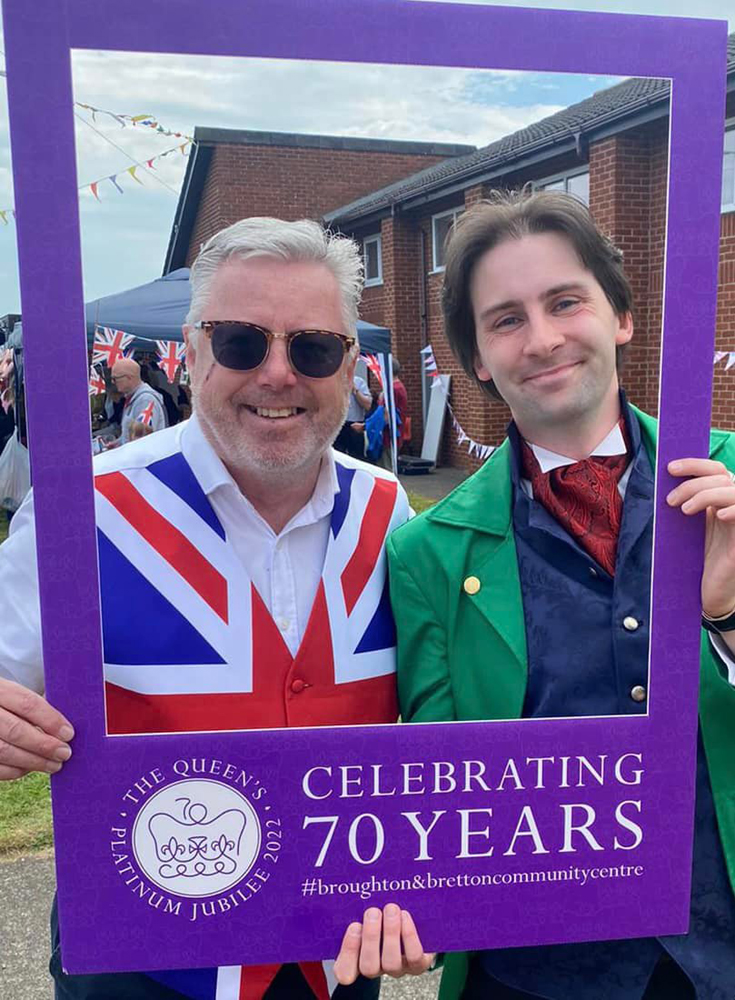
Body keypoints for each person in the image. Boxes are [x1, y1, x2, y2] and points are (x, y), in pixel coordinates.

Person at [0, 217, 414, 999]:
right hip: (141, 959)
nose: (279, 374)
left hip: (335, 958)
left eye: (314, 348)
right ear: (191, 351)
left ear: (350, 364)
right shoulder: (82, 512)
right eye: (241, 343)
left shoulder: (389, 513)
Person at [373, 190, 735, 1000]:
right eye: (504, 319)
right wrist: (408, 906)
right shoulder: (427, 551)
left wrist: (729, 619)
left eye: (564, 302)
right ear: (474, 358)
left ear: (621, 316)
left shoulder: (732, 483)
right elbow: (436, 773)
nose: (541, 339)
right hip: (534, 970)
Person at [111, 356, 167, 444]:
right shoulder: (135, 399)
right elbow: (131, 436)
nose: (112, 382)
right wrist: (118, 443)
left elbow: (142, 441)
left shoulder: (145, 400)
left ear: (129, 378)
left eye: (115, 378)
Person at [334, 372, 371, 457]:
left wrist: (355, 390)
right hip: (338, 425)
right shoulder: (335, 382)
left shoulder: (359, 382)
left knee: (357, 457)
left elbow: (367, 405)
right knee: (338, 457)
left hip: (355, 426)